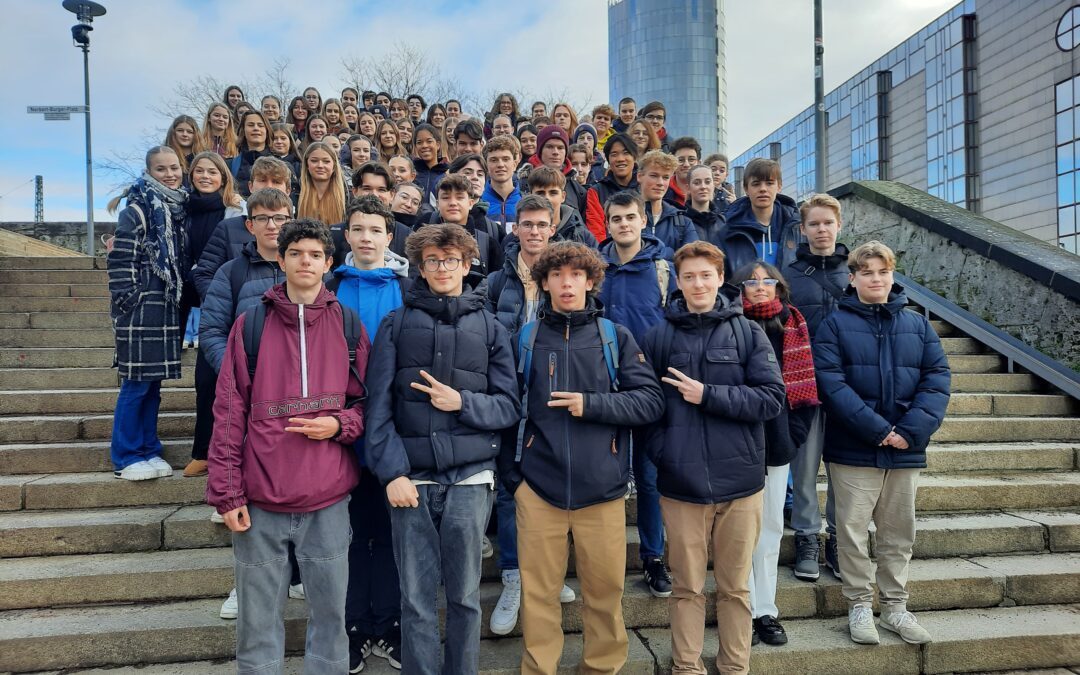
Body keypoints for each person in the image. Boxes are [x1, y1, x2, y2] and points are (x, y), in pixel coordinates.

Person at [207, 218, 369, 675]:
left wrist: (337, 424)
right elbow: (229, 413)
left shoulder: (349, 326)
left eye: (316, 254)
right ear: (280, 260)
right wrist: (227, 493)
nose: (305, 261)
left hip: (328, 500)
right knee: (257, 624)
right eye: (296, 253)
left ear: (329, 264)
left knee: (331, 618)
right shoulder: (250, 325)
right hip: (260, 500)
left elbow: (366, 404)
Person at [500, 240, 664, 674]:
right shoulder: (527, 337)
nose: (566, 282)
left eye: (575, 274)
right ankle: (540, 668)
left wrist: (592, 405)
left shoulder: (615, 336)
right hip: (538, 488)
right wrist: (515, 479)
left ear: (591, 281)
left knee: (605, 592)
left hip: (603, 490)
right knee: (538, 594)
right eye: (556, 275)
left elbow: (650, 402)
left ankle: (602, 667)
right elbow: (506, 409)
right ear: (545, 282)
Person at [364, 223, 520, 674]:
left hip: (471, 479)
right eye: (432, 260)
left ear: (468, 264)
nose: (442, 268)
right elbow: (378, 407)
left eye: (451, 259)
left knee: (465, 597)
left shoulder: (491, 326)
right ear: (420, 266)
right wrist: (392, 472)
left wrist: (462, 402)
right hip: (412, 479)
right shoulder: (395, 324)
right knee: (414, 598)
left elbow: (509, 405)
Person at [640, 240, 785, 674]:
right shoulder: (658, 335)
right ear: (678, 283)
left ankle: (734, 666)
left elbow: (771, 398)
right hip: (681, 486)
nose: (698, 283)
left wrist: (707, 395)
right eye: (689, 276)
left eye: (706, 275)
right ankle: (686, 666)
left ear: (721, 278)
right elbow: (647, 408)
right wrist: (664, 453)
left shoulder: (747, 332)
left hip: (740, 484)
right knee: (686, 587)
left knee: (735, 588)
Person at [814, 241, 950, 646]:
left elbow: (937, 378)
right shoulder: (834, 323)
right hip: (854, 447)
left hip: (906, 449)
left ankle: (894, 607)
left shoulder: (918, 324)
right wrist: (877, 430)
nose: (876, 279)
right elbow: (831, 383)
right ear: (852, 278)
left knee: (898, 532)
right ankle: (859, 604)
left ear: (892, 275)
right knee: (852, 532)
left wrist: (909, 431)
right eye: (867, 272)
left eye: (883, 271)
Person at [325, 196, 411, 672]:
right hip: (341, 427)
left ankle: (391, 627)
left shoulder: (407, 286)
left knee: (393, 534)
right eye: (356, 229)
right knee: (354, 535)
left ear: (388, 237)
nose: (365, 238)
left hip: (394, 428)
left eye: (374, 230)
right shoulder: (329, 285)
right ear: (347, 235)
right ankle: (356, 627)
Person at [730, 260, 820, 648]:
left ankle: (765, 610)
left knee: (768, 531)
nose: (761, 286)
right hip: (734, 447)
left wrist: (792, 437)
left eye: (768, 281)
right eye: (752, 281)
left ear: (780, 288)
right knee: (736, 537)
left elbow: (806, 395)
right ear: (740, 288)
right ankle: (738, 610)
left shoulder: (794, 326)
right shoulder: (729, 326)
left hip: (776, 446)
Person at [596, 190, 674, 598]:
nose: (624, 224)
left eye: (630, 217)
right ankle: (601, 559)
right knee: (607, 477)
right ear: (606, 223)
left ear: (643, 220)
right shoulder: (595, 267)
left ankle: (653, 556)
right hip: (605, 388)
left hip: (650, 389)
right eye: (616, 218)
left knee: (648, 478)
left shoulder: (662, 268)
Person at [106, 146, 188, 482]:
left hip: (164, 305)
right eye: (161, 169)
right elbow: (120, 261)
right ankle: (126, 454)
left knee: (152, 385)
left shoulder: (177, 207)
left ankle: (148, 447)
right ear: (148, 172)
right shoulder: (138, 209)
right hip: (140, 306)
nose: (170, 174)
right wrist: (130, 299)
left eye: (174, 167)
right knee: (136, 384)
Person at [783, 192, 851, 582]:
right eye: (814, 224)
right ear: (803, 229)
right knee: (805, 470)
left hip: (847, 388)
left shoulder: (856, 271)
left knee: (842, 470)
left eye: (828, 222)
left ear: (838, 224)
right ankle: (807, 537)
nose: (821, 230)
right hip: (805, 387)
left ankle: (839, 540)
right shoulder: (790, 275)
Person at [192, 157, 294, 301]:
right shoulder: (228, 228)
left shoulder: (298, 231)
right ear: (251, 186)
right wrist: (224, 307)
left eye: (276, 181)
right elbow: (205, 274)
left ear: (288, 190)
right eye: (263, 180)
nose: (269, 186)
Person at [721, 158, 801, 274]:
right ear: (746, 189)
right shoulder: (728, 227)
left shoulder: (796, 226)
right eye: (756, 184)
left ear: (779, 186)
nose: (763, 189)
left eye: (769, 183)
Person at [428, 173, 503, 287]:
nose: (453, 203)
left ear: (471, 203)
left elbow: (497, 288)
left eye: (459, 197)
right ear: (438, 204)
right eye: (446, 198)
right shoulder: (424, 241)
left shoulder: (488, 244)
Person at [637, 150, 699, 252]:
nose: (660, 183)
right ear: (639, 176)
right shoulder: (626, 217)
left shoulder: (683, 221)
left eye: (666, 177)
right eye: (654, 176)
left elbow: (691, 260)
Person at [584, 132, 638, 242]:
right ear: (608, 160)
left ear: (634, 157)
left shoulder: (645, 187)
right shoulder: (597, 191)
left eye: (626, 153)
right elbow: (597, 234)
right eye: (614, 154)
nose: (620, 159)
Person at [526, 166, 597, 247]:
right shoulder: (520, 235)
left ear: (563, 196)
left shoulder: (583, 237)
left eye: (553, 193)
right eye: (540, 193)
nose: (547, 198)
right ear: (530, 196)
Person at [528, 125, 587, 219]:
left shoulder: (578, 190)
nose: (555, 152)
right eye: (549, 147)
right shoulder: (523, 183)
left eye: (560, 148)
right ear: (540, 151)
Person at [297, 142, 347, 227]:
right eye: (314, 161)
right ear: (307, 164)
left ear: (334, 166)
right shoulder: (296, 192)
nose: (320, 165)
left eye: (326, 161)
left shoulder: (347, 196)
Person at [481, 135, 522, 231]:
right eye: (494, 160)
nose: (500, 165)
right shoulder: (477, 203)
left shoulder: (526, 202)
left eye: (506, 159)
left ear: (515, 164)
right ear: (486, 165)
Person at [231, 110, 272, 195]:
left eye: (260, 125)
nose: (256, 128)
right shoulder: (230, 165)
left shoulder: (282, 164)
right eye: (250, 125)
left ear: (267, 131)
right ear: (243, 131)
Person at [684, 165, 726, 247]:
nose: (703, 187)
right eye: (697, 183)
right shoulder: (679, 222)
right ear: (688, 188)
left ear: (713, 185)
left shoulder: (723, 222)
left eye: (707, 182)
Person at [411, 123, 448, 207]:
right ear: (415, 146)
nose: (424, 146)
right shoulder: (412, 172)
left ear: (438, 145)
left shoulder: (447, 173)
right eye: (419, 142)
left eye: (429, 141)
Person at [665, 137, 700, 208]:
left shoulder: (708, 192)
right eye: (680, 160)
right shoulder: (662, 191)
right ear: (672, 163)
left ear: (699, 163)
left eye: (691, 159)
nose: (686, 164)